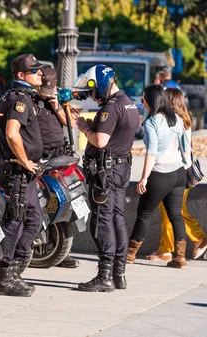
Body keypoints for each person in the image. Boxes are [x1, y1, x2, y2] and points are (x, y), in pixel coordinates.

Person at [74, 65, 139, 292]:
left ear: (100, 84)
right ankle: (118, 273)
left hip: (106, 173)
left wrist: (84, 128)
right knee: (117, 218)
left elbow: (101, 141)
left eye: (93, 91)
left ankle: (104, 275)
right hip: (121, 170)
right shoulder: (129, 104)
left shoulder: (110, 108)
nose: (92, 96)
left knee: (103, 219)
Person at [0, 54, 44, 297]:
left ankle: (15, 269)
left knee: (34, 218)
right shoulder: (19, 100)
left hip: (22, 172)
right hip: (18, 171)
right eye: (35, 71)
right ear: (21, 76)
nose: (40, 74)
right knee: (15, 221)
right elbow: (12, 134)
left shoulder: (19, 97)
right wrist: (24, 161)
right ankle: (5, 277)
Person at [126, 86, 192, 269]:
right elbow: (184, 146)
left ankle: (130, 254)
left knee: (144, 214)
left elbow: (152, 153)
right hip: (179, 173)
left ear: (151, 101)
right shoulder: (176, 118)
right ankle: (180, 258)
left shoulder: (152, 122)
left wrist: (144, 178)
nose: (143, 103)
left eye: (143, 100)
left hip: (160, 173)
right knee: (176, 216)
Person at [145, 88, 207, 262]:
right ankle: (167, 249)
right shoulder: (183, 120)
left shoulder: (174, 122)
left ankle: (197, 237)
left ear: (170, 102)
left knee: (175, 210)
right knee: (170, 210)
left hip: (176, 171)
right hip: (182, 172)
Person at [35, 66, 80, 269]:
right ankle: (47, 247)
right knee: (44, 202)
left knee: (64, 202)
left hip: (59, 154)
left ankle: (62, 250)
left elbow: (71, 124)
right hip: (40, 157)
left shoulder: (58, 99)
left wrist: (57, 105)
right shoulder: (29, 99)